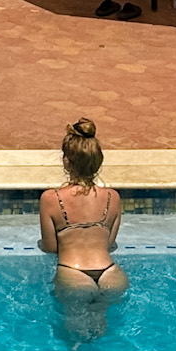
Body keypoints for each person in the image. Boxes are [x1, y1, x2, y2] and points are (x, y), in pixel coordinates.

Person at [38, 118, 128, 301]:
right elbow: (109, 243)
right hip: (111, 274)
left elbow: (50, 247)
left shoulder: (51, 198)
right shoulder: (113, 197)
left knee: (72, 328)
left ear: (66, 162)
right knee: (104, 326)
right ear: (97, 162)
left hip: (73, 274)